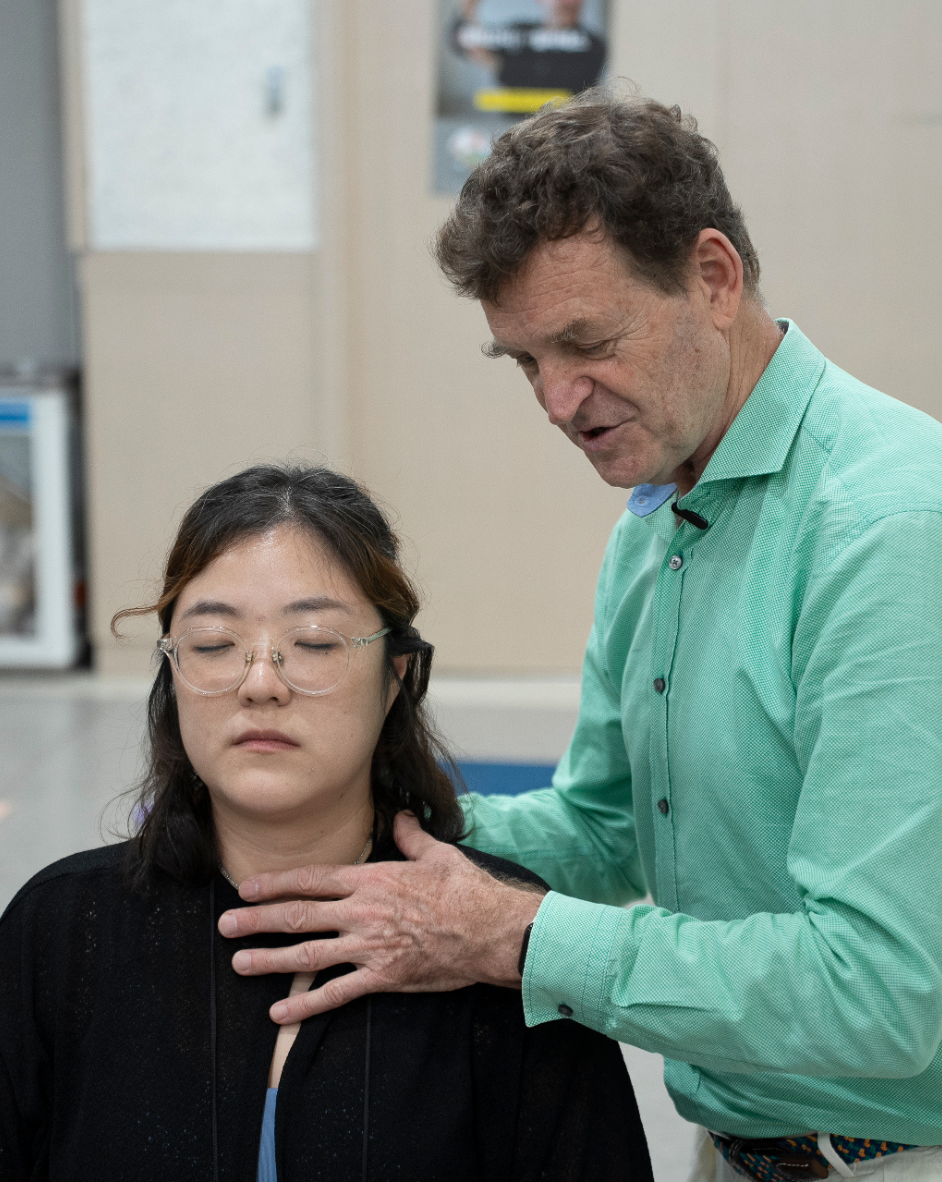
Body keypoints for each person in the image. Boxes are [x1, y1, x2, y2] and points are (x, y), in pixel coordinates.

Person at [217, 92, 942, 1181]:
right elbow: (606, 830)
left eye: (586, 342)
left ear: (714, 278)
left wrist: (512, 937)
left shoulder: (887, 530)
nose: (558, 401)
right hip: (741, 1148)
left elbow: (879, 993)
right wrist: (356, 821)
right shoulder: (659, 524)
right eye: (524, 361)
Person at [0, 463, 654, 1182]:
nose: (260, 684)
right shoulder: (59, 934)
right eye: (213, 644)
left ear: (396, 677)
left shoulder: (500, 945)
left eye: (314, 643)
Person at [452, 0, 606, 100]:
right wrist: (468, 9)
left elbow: (552, 83)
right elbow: (465, 40)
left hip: (564, 130)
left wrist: (501, 67)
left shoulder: (590, 44)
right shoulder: (521, 33)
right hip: (514, 127)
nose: (568, 2)